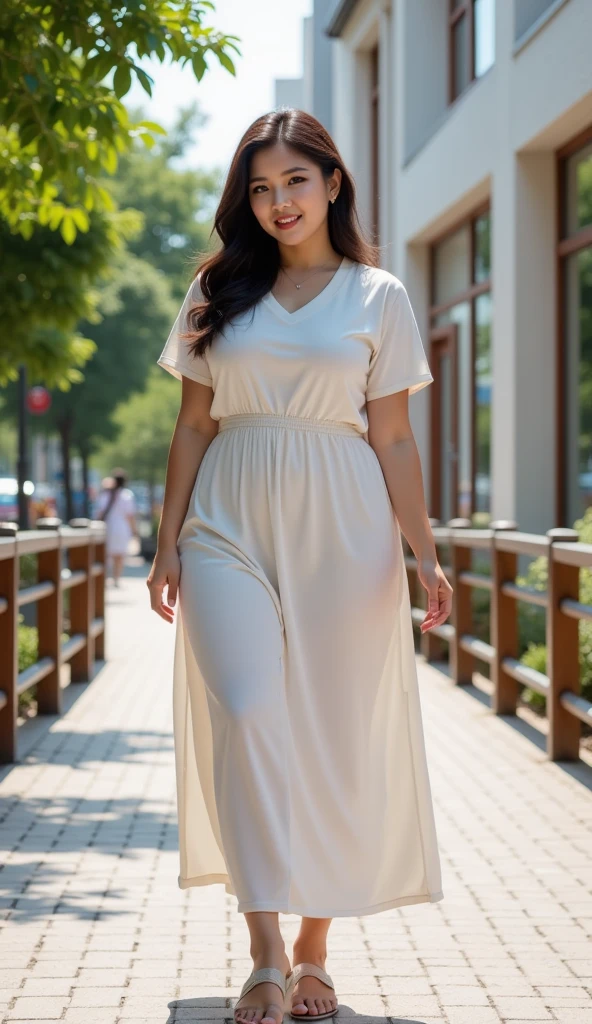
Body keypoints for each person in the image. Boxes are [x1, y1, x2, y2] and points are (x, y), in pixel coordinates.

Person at [148, 108, 453, 1024]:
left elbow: (394, 439)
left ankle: (315, 950)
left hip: (346, 525)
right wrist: (166, 543)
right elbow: (193, 424)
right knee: (247, 712)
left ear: (332, 185)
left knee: (329, 732)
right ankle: (264, 950)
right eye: (260, 186)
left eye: (294, 181)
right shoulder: (215, 291)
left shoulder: (379, 296)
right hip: (226, 522)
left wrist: (424, 552)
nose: (278, 201)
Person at [95, 468, 138, 587]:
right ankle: (116, 578)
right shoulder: (127, 495)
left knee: (106, 554)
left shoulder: (106, 495)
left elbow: (99, 512)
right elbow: (130, 515)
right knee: (119, 556)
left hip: (108, 527)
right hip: (122, 528)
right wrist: (135, 531)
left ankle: (105, 578)